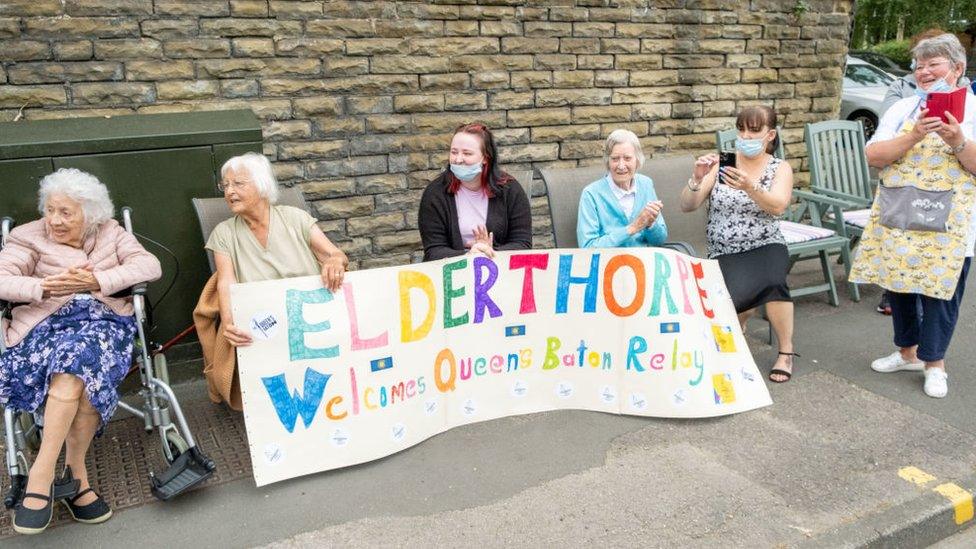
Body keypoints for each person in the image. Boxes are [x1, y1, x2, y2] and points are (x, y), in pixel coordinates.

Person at [0, 168, 162, 534]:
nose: (54, 220)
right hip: (44, 326)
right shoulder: (27, 237)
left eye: (66, 212)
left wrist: (97, 281)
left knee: (80, 363)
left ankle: (42, 475)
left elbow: (150, 266)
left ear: (90, 215)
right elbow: (2, 277)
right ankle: (75, 478)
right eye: (50, 210)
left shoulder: (112, 233)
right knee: (76, 368)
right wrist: (42, 287)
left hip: (103, 325)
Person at [851, 33, 976, 399]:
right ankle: (906, 353)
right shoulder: (902, 109)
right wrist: (915, 134)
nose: (923, 72)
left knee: (941, 294)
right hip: (901, 210)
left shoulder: (973, 110)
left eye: (933, 64)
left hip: (951, 222)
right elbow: (873, 156)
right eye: (919, 66)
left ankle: (934, 363)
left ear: (957, 68)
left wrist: (957, 140)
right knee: (899, 283)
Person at [195, 152, 348, 409]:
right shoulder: (224, 233)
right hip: (266, 325)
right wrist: (230, 323)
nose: (229, 191)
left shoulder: (295, 218)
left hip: (310, 319)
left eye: (238, 184)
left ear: (262, 185)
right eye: (226, 185)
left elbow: (335, 254)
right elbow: (226, 283)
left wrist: (334, 261)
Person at [678, 105, 797, 383]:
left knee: (773, 281)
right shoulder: (724, 162)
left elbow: (778, 206)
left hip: (765, 243)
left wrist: (750, 187)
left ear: (770, 135)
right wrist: (696, 179)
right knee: (735, 294)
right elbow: (687, 205)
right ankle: (739, 321)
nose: (745, 135)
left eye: (754, 130)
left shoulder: (779, 167)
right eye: (741, 129)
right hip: (724, 249)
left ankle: (786, 352)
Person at [418, 122, 532, 261]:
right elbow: (433, 251)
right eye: (454, 152)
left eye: (467, 153)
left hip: (501, 272)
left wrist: (489, 252)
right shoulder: (435, 193)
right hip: (451, 275)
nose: (458, 159)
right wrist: (469, 256)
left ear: (485, 157)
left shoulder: (510, 190)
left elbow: (523, 244)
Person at [577, 129, 668, 248]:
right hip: (608, 264)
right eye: (615, 159)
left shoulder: (646, 184)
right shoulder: (591, 194)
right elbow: (587, 247)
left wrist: (650, 224)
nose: (621, 166)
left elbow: (660, 240)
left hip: (644, 262)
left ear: (637, 160)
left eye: (627, 158)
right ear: (608, 162)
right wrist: (632, 228)